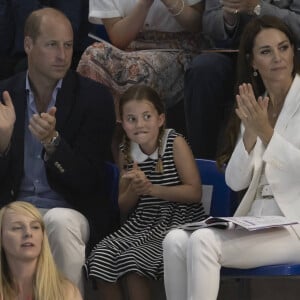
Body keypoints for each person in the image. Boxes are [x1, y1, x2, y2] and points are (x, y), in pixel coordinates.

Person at [163, 15, 300, 300]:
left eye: (284, 47)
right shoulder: (255, 105)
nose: (278, 58)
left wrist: (266, 134)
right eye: (266, 51)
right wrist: (249, 136)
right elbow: (236, 181)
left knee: (203, 241)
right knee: (174, 240)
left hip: (294, 224)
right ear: (252, 62)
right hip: (256, 221)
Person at [0, 7, 116, 295]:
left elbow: (90, 180)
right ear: (28, 45)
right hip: (13, 205)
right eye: (52, 45)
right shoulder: (3, 96)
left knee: (58, 222)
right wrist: (2, 145)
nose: (63, 56)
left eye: (67, 45)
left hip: (70, 208)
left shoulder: (93, 98)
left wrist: (53, 143)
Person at [84, 84, 205, 300]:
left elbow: (194, 192)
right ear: (122, 122)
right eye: (131, 119)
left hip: (179, 221)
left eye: (147, 116)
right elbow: (123, 205)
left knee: (132, 261)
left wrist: (153, 189)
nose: (139, 125)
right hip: (143, 223)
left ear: (160, 119)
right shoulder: (125, 151)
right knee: (99, 257)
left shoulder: (174, 143)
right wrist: (135, 189)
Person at [185, 0, 300, 159]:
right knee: (203, 70)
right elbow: (209, 22)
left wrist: (257, 7)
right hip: (232, 52)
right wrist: (228, 17)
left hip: (284, 52)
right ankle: (204, 167)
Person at [77, 0, 206, 116]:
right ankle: (94, 129)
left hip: (178, 48)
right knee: (92, 57)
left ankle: (131, 134)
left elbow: (198, 24)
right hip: (130, 47)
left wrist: (171, 2)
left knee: (138, 70)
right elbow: (119, 39)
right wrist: (144, 4)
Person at [0, 201, 82, 300]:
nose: (28, 233)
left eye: (35, 227)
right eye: (17, 228)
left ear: (43, 237)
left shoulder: (67, 292)